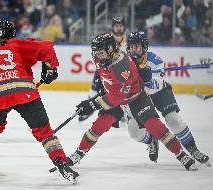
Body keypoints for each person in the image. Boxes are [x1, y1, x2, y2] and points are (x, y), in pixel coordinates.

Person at [67, 33, 197, 171]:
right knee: (99, 125)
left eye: (100, 53)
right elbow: (109, 82)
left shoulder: (121, 65)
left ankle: (180, 153)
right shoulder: (103, 58)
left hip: (135, 98)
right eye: (96, 53)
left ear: (110, 50)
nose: (97, 56)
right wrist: (101, 89)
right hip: (116, 97)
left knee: (154, 126)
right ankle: (79, 153)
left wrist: (93, 104)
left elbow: (117, 96)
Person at [0, 20, 79, 183]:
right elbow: (46, 47)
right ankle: (61, 163)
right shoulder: (16, 43)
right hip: (23, 91)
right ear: (12, 34)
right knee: (44, 131)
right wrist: (51, 68)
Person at [125, 31, 210, 166]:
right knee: (133, 130)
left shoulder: (155, 60)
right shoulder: (125, 62)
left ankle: (193, 149)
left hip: (159, 92)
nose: (133, 49)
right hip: (139, 97)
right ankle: (151, 139)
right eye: (131, 46)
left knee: (173, 119)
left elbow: (157, 83)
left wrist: (147, 78)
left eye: (136, 46)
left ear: (144, 47)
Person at [78, 16, 128, 123]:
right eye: (116, 26)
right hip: (105, 69)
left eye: (121, 26)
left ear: (124, 27)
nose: (119, 28)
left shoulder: (129, 44)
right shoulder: (107, 40)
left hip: (120, 73)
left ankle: (123, 110)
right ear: (112, 27)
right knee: (96, 85)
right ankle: (90, 106)